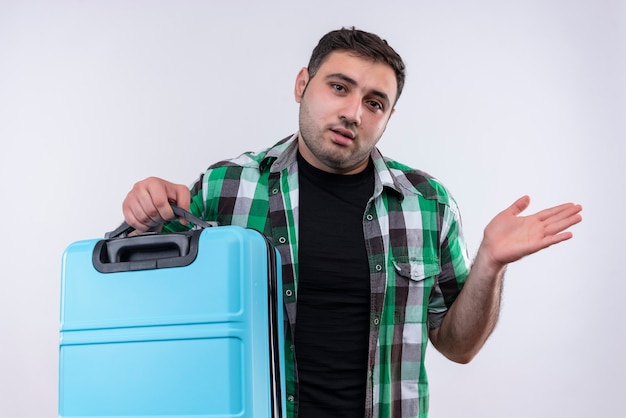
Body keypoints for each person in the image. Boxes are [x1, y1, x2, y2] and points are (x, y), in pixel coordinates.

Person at [121, 27, 583, 418]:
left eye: (375, 103)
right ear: (302, 84)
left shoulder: (426, 204)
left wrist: (490, 263)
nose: (353, 113)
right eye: (339, 87)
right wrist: (148, 215)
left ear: (388, 117)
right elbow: (161, 310)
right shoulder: (228, 187)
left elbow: (458, 347)